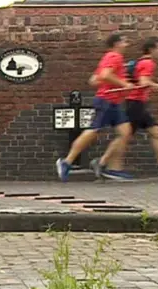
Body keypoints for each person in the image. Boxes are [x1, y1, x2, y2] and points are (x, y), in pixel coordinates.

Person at [90, 36, 158, 178]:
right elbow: (144, 82)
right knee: (125, 135)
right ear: (151, 49)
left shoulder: (140, 62)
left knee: (155, 131)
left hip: (136, 103)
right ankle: (102, 162)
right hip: (135, 104)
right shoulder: (148, 63)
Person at [56, 33, 134, 182]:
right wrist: (124, 84)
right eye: (125, 41)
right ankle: (66, 162)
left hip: (114, 101)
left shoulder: (109, 58)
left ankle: (112, 168)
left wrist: (116, 81)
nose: (127, 44)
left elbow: (93, 80)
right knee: (93, 131)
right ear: (116, 44)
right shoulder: (114, 57)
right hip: (107, 101)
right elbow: (104, 75)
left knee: (125, 132)